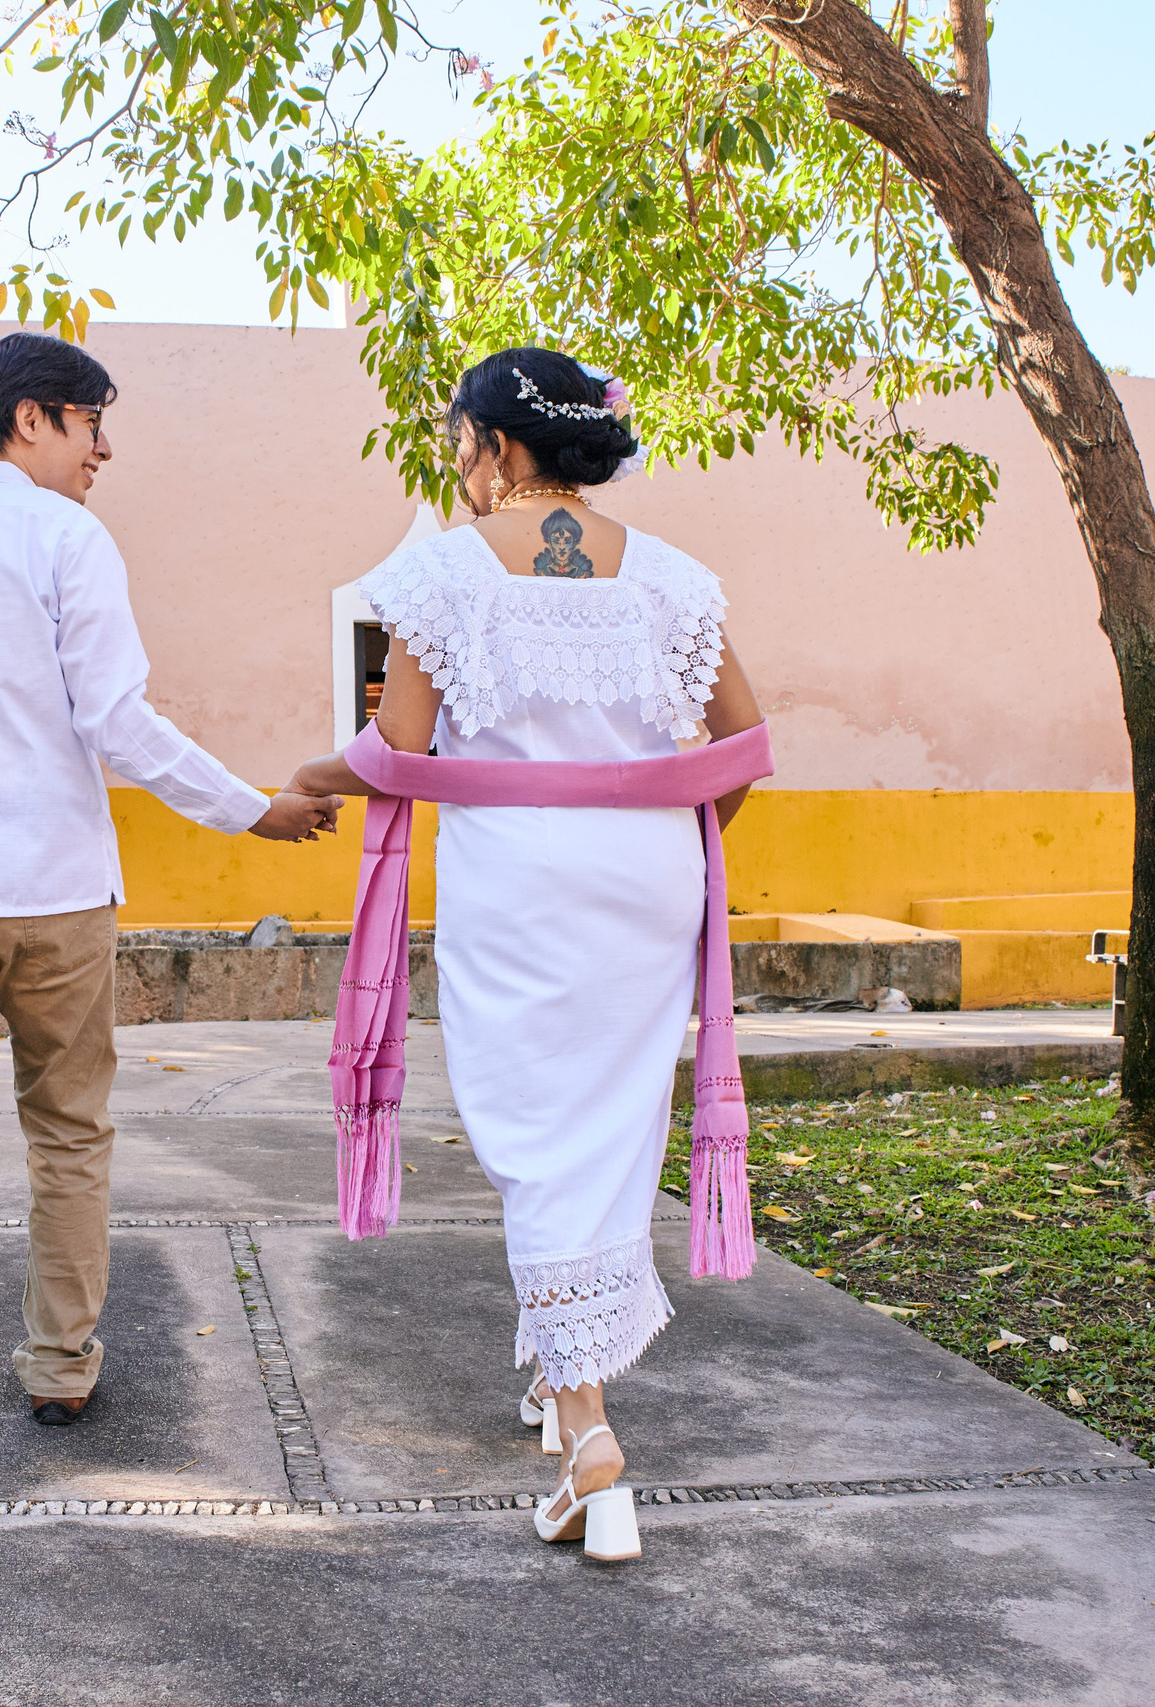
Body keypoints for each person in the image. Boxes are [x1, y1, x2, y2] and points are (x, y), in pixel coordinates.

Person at [0, 331, 343, 1505]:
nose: (105, 451)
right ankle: (58, 1365)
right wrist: (250, 811)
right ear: (33, 419)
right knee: (67, 1128)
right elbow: (118, 718)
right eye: (94, 424)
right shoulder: (66, 538)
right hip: (49, 885)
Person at [291, 346, 764, 1556]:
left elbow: (395, 749)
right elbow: (742, 747)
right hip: (650, 882)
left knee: (539, 1142)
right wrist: (661, 840)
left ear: (500, 448)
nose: (456, 465)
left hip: (520, 884)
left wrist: (308, 777)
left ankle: (593, 1448)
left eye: (460, 441)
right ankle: (564, 1386)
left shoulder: (441, 573)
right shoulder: (673, 578)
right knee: (604, 1128)